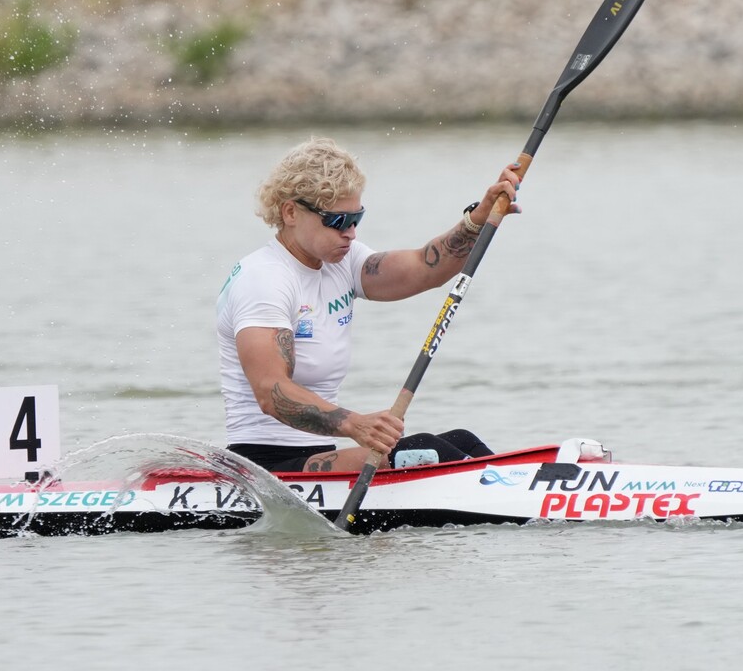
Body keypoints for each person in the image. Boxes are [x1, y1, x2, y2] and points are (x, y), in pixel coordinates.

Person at [217, 136, 521, 473]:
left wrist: (478, 219)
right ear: (290, 212)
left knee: (462, 441)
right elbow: (270, 390)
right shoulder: (264, 279)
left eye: (355, 218)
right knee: (430, 452)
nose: (350, 233)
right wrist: (356, 425)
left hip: (317, 455)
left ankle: (530, 490)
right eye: (336, 221)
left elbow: (424, 268)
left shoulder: (342, 262)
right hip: (266, 467)